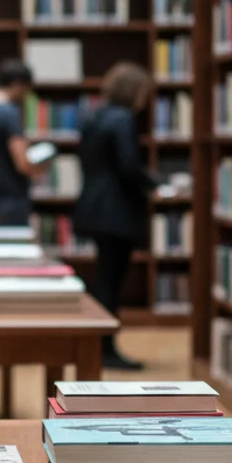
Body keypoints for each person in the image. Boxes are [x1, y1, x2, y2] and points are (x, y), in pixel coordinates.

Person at [72, 61, 159, 371]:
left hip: (92, 205)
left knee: (104, 277)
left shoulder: (92, 115)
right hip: (116, 210)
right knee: (111, 281)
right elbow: (128, 165)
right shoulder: (122, 119)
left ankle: (101, 344)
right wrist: (156, 185)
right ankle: (106, 347)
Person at [0, 58, 45, 226]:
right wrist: (40, 167)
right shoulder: (9, 114)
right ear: (18, 84)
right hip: (10, 200)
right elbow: (23, 163)